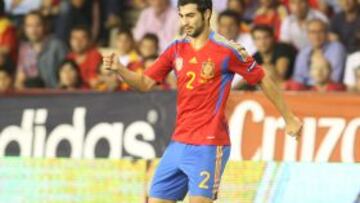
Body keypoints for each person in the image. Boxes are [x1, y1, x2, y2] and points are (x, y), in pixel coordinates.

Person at [103, 0, 302, 202]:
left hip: (208, 144)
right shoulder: (176, 48)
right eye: (181, 16)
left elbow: (262, 79)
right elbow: (144, 83)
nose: (185, 21)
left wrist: (290, 118)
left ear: (207, 14)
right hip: (178, 142)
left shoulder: (227, 50)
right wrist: (120, 69)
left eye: (190, 15)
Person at [15, 11, 68, 89]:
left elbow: (67, 73)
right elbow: (19, 78)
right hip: (29, 96)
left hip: (53, 95)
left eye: (38, 25)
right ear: (24, 28)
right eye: (29, 26)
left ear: (45, 26)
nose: (33, 30)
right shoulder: (24, 48)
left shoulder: (57, 45)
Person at [292, 19, 346, 86]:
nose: (316, 36)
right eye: (312, 32)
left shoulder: (336, 48)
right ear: (307, 35)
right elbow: (297, 78)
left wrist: (310, 85)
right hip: (305, 92)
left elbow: (335, 78)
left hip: (329, 92)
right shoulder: (303, 52)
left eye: (320, 32)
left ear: (327, 33)